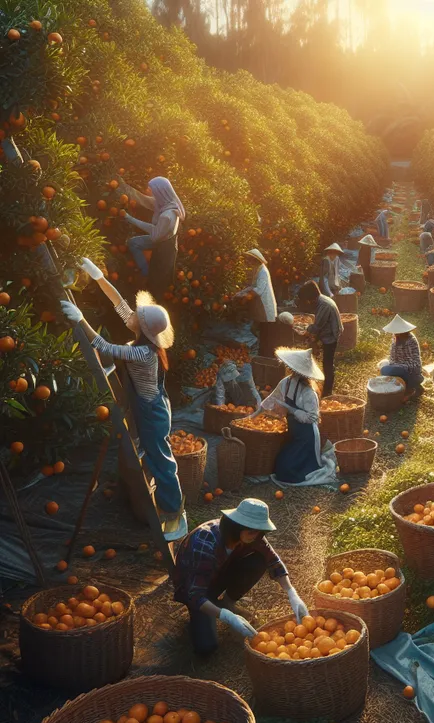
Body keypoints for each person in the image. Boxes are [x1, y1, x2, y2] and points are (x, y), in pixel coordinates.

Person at [60, 258, 186, 541]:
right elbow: (120, 305)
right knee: (159, 459)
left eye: (136, 318)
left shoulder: (142, 353)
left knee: (161, 462)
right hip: (152, 405)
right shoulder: (145, 339)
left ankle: (174, 512)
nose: (131, 317)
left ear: (142, 328)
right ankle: (173, 507)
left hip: (152, 412)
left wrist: (80, 319)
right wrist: (98, 277)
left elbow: (103, 345)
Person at [172, 498, 308, 655]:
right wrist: (227, 617)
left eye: (259, 531)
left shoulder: (251, 535)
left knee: (259, 560)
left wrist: (292, 593)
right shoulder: (205, 542)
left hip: (220, 573)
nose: (255, 535)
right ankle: (216, 609)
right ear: (237, 526)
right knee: (206, 647)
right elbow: (195, 595)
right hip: (196, 588)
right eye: (251, 531)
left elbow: (273, 561)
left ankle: (228, 603)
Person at [253, 348, 335, 485]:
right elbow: (273, 398)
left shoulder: (309, 393)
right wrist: (255, 414)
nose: (289, 370)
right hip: (293, 432)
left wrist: (290, 409)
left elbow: (312, 418)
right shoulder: (286, 382)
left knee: (289, 470)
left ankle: (311, 467)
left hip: (307, 435)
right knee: (279, 465)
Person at [120, 177, 185, 299]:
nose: (149, 191)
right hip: (162, 239)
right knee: (134, 243)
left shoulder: (167, 215)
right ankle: (145, 272)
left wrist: (130, 219)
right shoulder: (165, 203)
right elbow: (143, 199)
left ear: (160, 192)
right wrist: (124, 187)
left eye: (152, 190)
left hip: (164, 247)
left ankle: (146, 278)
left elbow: (154, 235)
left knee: (156, 284)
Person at [297, 280, 342, 397]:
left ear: (310, 298)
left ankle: (327, 391)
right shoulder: (320, 301)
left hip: (331, 335)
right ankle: (324, 382)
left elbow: (317, 326)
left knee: (327, 362)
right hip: (327, 331)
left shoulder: (324, 305)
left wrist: (305, 330)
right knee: (325, 359)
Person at [234, 249, 279, 357]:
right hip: (262, 307)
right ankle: (264, 353)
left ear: (256, 260)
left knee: (266, 332)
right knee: (262, 332)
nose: (249, 262)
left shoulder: (263, 271)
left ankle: (267, 355)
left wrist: (246, 297)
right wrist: (239, 294)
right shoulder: (258, 270)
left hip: (265, 306)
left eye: (251, 260)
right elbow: (252, 286)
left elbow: (259, 290)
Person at [380, 315, 423, 398]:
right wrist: (392, 366)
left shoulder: (410, 340)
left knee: (386, 370)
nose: (395, 334)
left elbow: (414, 364)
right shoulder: (395, 339)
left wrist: (396, 367)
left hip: (411, 373)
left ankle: (414, 387)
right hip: (399, 369)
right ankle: (400, 387)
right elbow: (392, 358)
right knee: (384, 366)